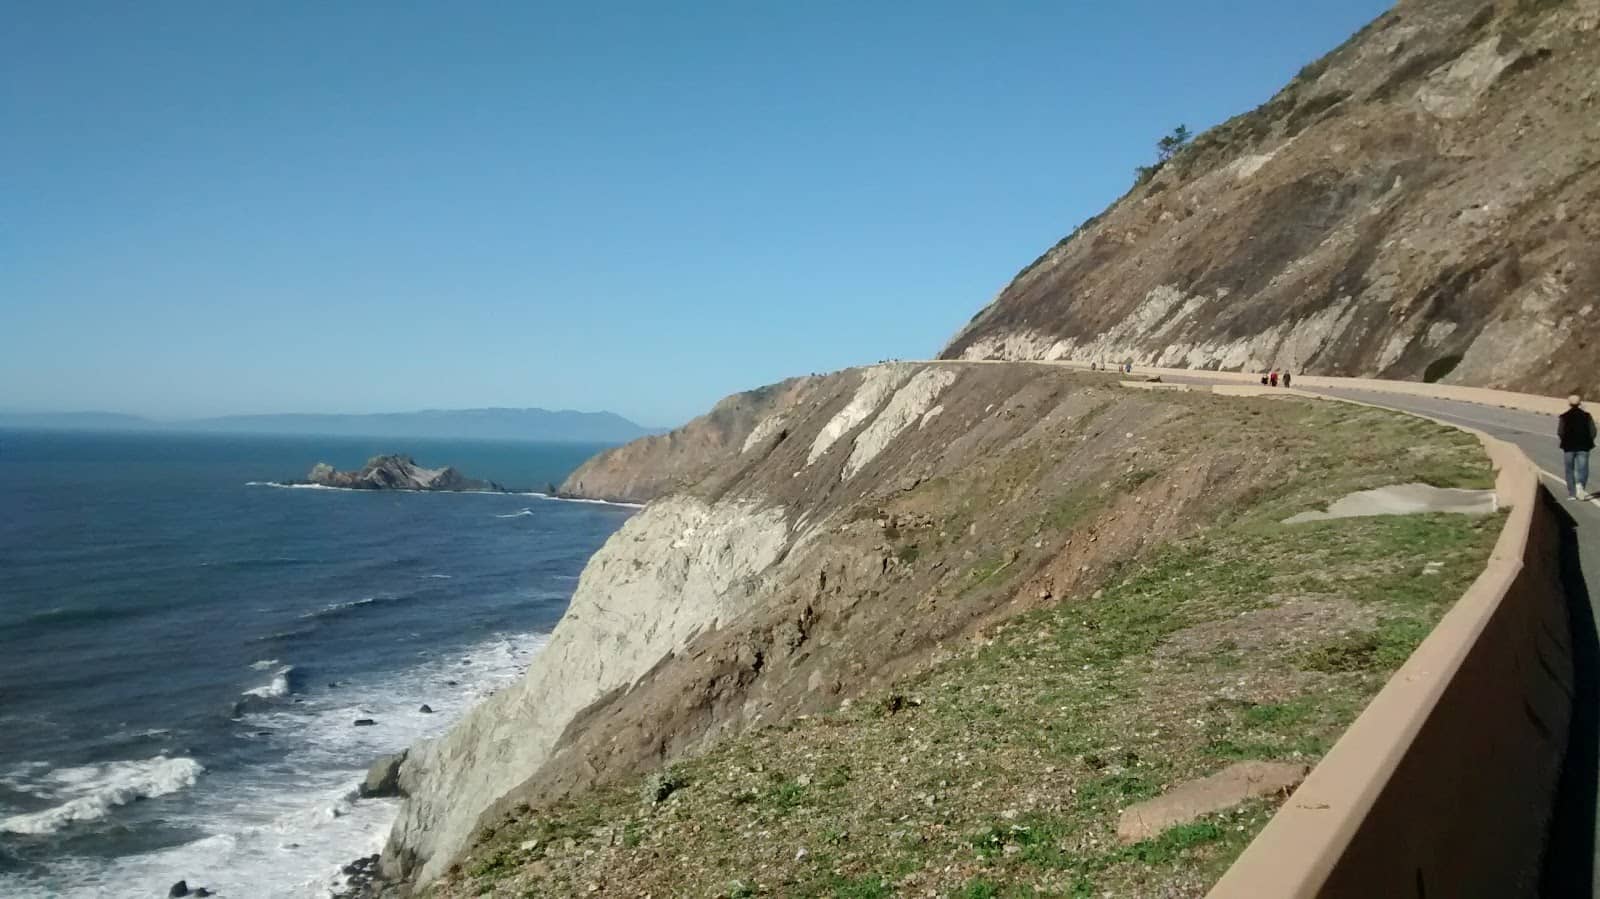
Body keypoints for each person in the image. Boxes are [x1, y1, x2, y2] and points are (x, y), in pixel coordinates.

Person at [1559, 395, 1596, 501]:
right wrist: (1589, 440)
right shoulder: (1587, 416)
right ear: (1580, 403)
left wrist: (1565, 440)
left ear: (1569, 403)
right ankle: (1581, 486)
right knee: (1583, 468)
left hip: (1568, 447)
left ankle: (1572, 493)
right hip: (1584, 446)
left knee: (1569, 470)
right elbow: (1593, 431)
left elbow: (1560, 432)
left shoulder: (1564, 416)